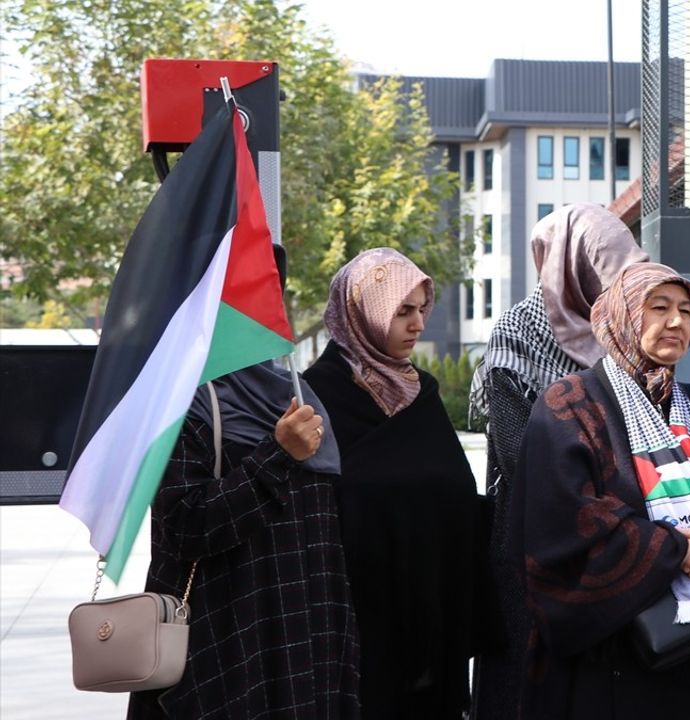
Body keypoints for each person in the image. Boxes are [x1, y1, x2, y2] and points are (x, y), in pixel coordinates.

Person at [512, 262, 690, 720]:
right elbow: (564, 524)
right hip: (616, 668)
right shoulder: (570, 407)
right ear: (620, 317)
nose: (677, 322)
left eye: (686, 311)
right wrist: (678, 549)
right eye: (658, 308)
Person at [129, 248, 359, 719]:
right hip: (225, 647)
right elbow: (186, 527)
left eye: (272, 290)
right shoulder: (181, 401)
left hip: (303, 643)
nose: (267, 307)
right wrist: (276, 455)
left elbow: (322, 542)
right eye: (249, 290)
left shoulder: (294, 391)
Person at [469, 203, 647, 720]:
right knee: (526, 690)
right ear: (572, 269)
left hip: (612, 547)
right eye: (606, 275)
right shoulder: (517, 334)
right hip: (535, 547)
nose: (617, 294)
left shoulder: (623, 338)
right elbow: (517, 451)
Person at [303, 247, 488, 719]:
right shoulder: (316, 394)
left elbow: (454, 490)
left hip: (431, 611)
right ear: (362, 313)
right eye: (402, 311)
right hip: (354, 618)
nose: (418, 325)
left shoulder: (420, 392)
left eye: (422, 310)